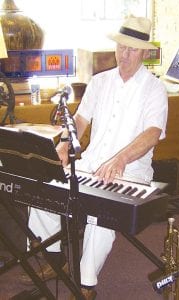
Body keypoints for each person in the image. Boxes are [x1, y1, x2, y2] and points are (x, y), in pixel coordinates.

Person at [22, 15, 168, 300]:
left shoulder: (154, 89)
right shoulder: (99, 82)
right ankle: (55, 261)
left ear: (145, 52)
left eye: (133, 49)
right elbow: (80, 120)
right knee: (44, 185)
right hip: (90, 162)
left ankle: (86, 285)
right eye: (121, 47)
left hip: (130, 172)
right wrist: (65, 143)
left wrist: (120, 159)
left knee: (100, 215)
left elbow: (153, 132)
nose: (125, 54)